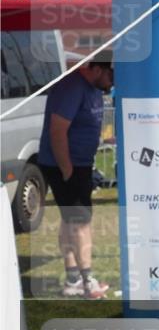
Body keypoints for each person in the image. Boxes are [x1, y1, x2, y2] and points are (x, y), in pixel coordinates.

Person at [38, 57, 115, 298]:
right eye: (111, 77)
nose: (112, 83)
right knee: (81, 223)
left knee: (70, 220)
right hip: (66, 165)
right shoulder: (71, 87)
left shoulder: (91, 88)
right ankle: (87, 281)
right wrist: (68, 170)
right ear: (97, 69)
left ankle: (73, 280)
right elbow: (57, 130)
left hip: (79, 164)